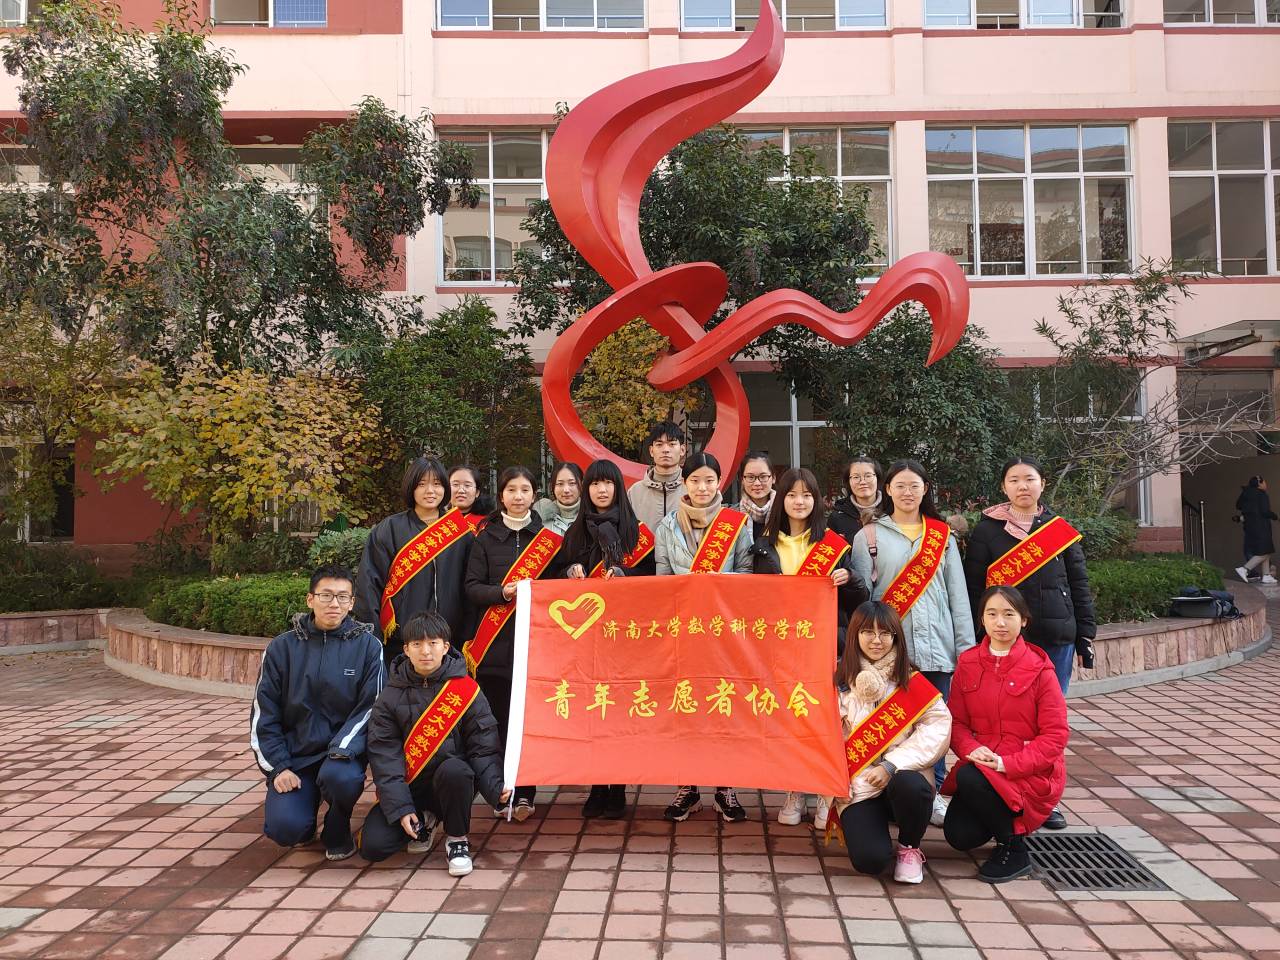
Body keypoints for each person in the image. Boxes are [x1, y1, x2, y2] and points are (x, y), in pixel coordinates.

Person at [963, 456, 1093, 833]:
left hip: (1056, 635)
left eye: (1030, 479)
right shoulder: (987, 531)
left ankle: (1044, 798)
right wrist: (978, 635)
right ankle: (1003, 790)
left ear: (1042, 484)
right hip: (1005, 639)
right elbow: (975, 587)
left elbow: (1079, 583)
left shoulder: (1058, 530)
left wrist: (1086, 633)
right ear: (1003, 487)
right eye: (1014, 480)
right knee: (1006, 719)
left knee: (1048, 722)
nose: (1023, 486)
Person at [850, 459, 973, 827]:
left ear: (925, 489)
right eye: (900, 485)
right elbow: (863, 602)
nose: (907, 492)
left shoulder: (942, 537)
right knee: (886, 724)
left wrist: (966, 649)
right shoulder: (869, 537)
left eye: (914, 485)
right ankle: (883, 794)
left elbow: (958, 597)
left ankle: (932, 795)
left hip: (937, 650)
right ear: (887, 489)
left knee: (934, 725)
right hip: (888, 654)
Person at [751, 466, 868, 830]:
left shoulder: (833, 544)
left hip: (824, 648)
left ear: (816, 501)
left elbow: (861, 600)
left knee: (825, 720)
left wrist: (850, 579)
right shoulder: (763, 545)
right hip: (780, 649)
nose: (799, 501)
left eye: (806, 495)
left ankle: (824, 794)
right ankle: (794, 790)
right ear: (781, 500)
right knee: (789, 719)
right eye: (791, 494)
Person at [250, 564, 384, 861]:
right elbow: (264, 716)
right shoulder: (282, 648)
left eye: (342, 597)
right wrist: (278, 767)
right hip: (296, 757)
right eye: (326, 595)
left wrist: (342, 750)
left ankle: (337, 825)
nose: (334, 603)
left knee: (340, 778)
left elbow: (370, 708)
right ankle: (305, 817)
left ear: (352, 603)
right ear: (310, 599)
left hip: (342, 756)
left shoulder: (368, 647)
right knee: (285, 829)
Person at [360, 612, 509, 876]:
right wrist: (402, 808)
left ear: (446, 647)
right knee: (374, 847)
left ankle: (457, 839)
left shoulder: (466, 689)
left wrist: (495, 787)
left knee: (455, 770)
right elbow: (384, 757)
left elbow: (483, 745)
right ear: (406, 649)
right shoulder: (389, 697)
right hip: (411, 787)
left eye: (433, 643)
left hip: (452, 784)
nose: (425, 651)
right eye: (417, 644)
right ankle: (424, 818)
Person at [942, 586, 1069, 883]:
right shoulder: (968, 663)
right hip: (983, 767)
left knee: (969, 777)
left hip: (1028, 772)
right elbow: (956, 722)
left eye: (1009, 614)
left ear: (1023, 620)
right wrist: (970, 749)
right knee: (959, 836)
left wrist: (1006, 764)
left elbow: (1055, 735)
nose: (1000, 622)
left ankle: (1014, 848)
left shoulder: (1039, 669)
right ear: (982, 620)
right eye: (992, 614)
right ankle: (1004, 821)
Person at [655, 451, 753, 823]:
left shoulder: (736, 523)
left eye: (709, 480)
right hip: (684, 632)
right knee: (684, 710)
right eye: (695, 480)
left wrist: (715, 588)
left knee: (723, 707)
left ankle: (725, 787)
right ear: (685, 482)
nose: (702, 487)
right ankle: (688, 787)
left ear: (719, 483)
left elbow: (746, 574)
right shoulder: (667, 527)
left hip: (724, 633)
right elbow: (662, 580)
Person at [463, 465, 565, 822]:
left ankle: (524, 793)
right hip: (493, 647)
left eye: (524, 490)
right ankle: (498, 791)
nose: (518, 496)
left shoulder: (549, 541)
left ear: (534, 495)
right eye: (511, 490)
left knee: (527, 724)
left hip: (535, 647)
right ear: (501, 495)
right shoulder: (484, 538)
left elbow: (559, 590)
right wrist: (502, 593)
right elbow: (472, 587)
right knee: (495, 724)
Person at [562, 458, 658, 819]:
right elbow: (555, 572)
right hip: (587, 639)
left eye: (608, 483)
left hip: (625, 638)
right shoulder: (575, 532)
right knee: (592, 711)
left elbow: (654, 576)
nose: (601, 490)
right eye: (594, 484)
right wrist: (570, 569)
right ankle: (596, 785)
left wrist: (625, 573)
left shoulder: (638, 533)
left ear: (618, 488)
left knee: (618, 713)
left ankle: (617, 786)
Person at [831, 601, 951, 884]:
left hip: (901, 778)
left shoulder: (911, 680)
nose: (876, 640)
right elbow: (824, 737)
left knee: (912, 786)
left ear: (896, 636)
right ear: (854, 635)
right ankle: (869, 828)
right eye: (867, 632)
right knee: (870, 860)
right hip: (859, 785)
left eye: (885, 633)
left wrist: (891, 764)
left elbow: (938, 727)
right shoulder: (838, 681)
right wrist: (834, 783)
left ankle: (910, 847)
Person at [356, 457, 472, 664]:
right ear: (411, 487)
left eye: (437, 484)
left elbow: (470, 586)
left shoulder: (460, 532)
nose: (430, 491)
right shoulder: (389, 529)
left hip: (448, 643)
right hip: (400, 644)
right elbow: (369, 585)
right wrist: (373, 637)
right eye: (422, 484)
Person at [628, 421, 688, 531]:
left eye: (672, 444)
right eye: (659, 445)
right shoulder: (635, 492)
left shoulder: (692, 489)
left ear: (682, 450)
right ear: (651, 451)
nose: (665, 450)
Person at [828, 456, 885, 545]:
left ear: (877, 478)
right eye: (856, 477)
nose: (862, 482)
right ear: (848, 481)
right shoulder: (837, 517)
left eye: (868, 476)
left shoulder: (892, 510)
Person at [1234, 476, 1278, 584]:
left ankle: (1266, 575)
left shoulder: (1245, 493)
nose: (1266, 484)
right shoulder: (1262, 494)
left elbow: (1238, 505)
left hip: (1249, 526)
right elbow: (1265, 511)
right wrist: (1275, 517)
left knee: (1266, 550)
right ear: (1260, 484)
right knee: (1264, 551)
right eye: (1264, 482)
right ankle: (1245, 569)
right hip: (1261, 526)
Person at [535, 461, 584, 536]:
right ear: (552, 487)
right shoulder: (539, 519)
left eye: (572, 483)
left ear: (582, 484)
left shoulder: (591, 518)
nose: (566, 490)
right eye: (560, 484)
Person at [736, 450, 777, 540]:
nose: (757, 483)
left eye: (763, 477)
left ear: (773, 478)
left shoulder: (784, 513)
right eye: (750, 477)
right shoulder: (732, 516)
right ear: (742, 480)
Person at [450, 465, 493, 532]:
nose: (461, 490)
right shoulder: (437, 520)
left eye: (467, 485)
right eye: (455, 484)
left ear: (477, 492)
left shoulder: (488, 524)